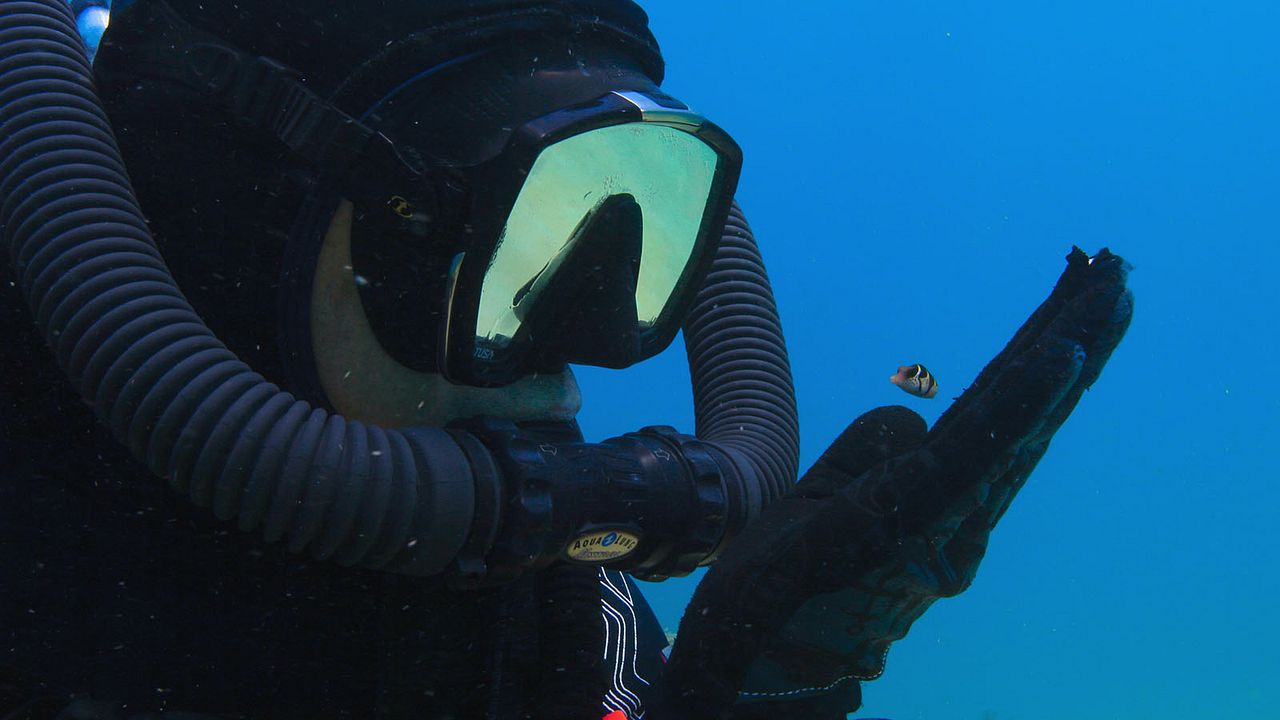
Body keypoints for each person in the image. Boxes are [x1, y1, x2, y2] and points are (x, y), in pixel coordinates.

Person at [0, 1, 1133, 718]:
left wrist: (774, 680)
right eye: (500, 243)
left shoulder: (544, 602)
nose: (565, 355)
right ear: (239, 246)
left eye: (630, 231)